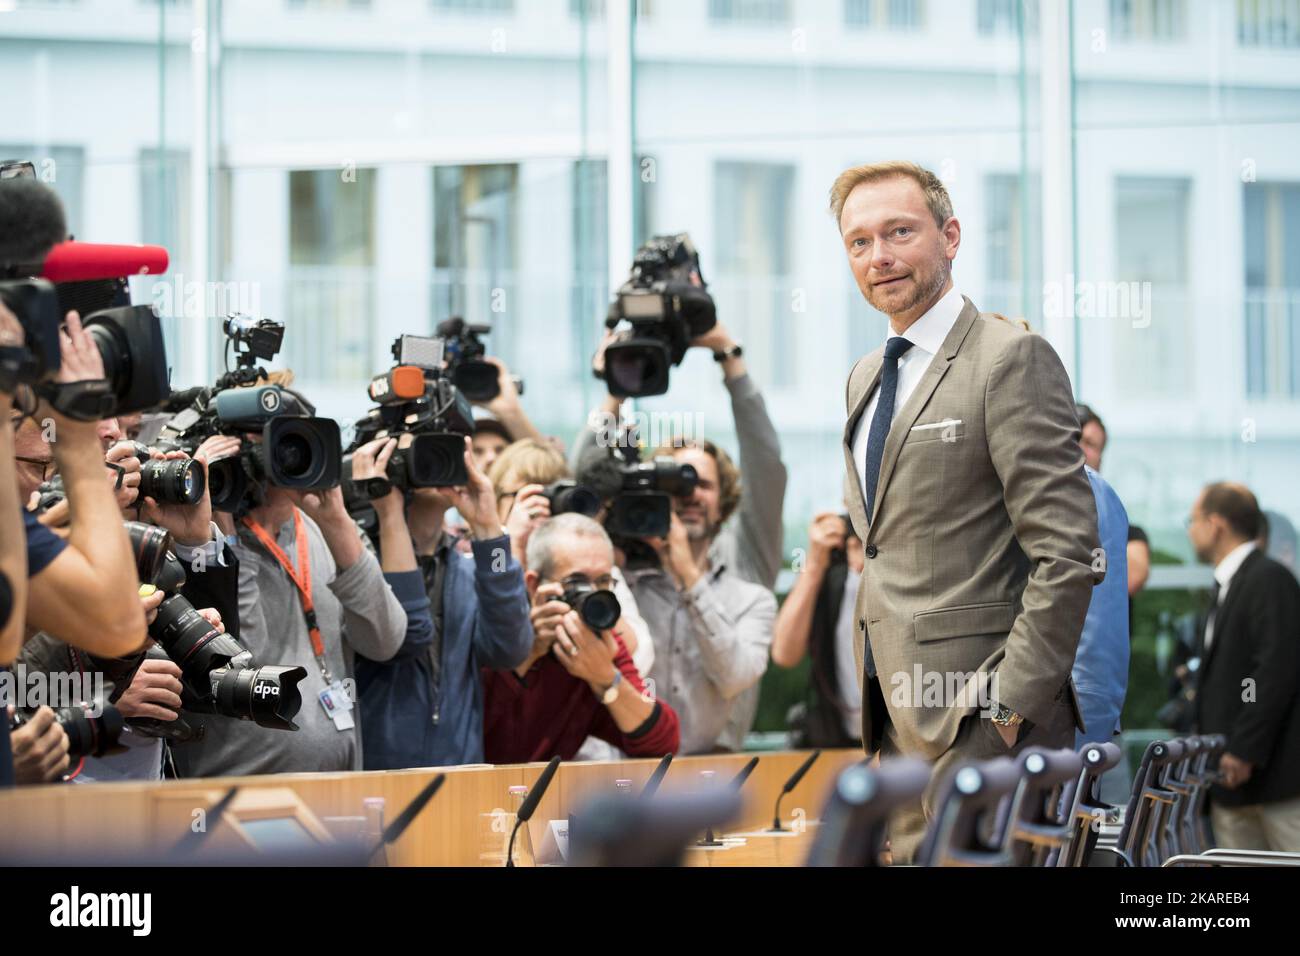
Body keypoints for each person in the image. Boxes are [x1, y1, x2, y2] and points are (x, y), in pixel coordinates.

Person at [833, 160, 1101, 863]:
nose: (879, 256)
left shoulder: (1011, 358)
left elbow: (1067, 554)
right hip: (898, 730)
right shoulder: (865, 376)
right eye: (859, 242)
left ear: (950, 236)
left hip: (988, 729)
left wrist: (1005, 717)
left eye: (899, 232)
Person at [171, 387, 408, 776]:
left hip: (338, 794)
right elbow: (242, 656)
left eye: (289, 441)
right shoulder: (199, 550)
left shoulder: (326, 531)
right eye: (257, 443)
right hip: (236, 797)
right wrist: (223, 528)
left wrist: (336, 522)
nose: (277, 458)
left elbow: (385, 640)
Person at [354, 434, 532, 768]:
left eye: (445, 445)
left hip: (462, 777)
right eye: (424, 448)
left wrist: (489, 529)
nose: (439, 457)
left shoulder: (466, 568)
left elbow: (510, 648)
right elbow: (404, 641)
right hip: (376, 784)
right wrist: (388, 507)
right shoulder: (358, 565)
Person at [482, 514, 679, 762]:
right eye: (577, 582)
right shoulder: (499, 629)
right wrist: (526, 654)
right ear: (534, 585)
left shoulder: (601, 643)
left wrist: (605, 678)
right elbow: (466, 728)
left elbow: (664, 743)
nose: (593, 595)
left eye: (603, 581)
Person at [1188, 482, 1300, 851]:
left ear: (1216, 524)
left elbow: (1273, 670)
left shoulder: (1267, 578)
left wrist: (1244, 748)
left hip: (1274, 782)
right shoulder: (1230, 585)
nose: (1190, 530)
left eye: (1194, 520)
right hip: (1234, 785)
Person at [770, 511, 864, 748]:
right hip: (839, 739)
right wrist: (814, 562)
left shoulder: (907, 547)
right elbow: (784, 653)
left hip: (905, 738)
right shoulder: (834, 563)